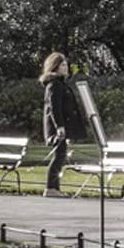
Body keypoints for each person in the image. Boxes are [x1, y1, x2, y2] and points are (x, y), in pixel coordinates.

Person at [39, 52, 85, 196]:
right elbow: (54, 108)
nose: (66, 68)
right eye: (63, 65)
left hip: (62, 126)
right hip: (58, 128)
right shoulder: (54, 85)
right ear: (56, 67)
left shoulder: (61, 84)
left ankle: (55, 188)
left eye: (66, 65)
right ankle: (51, 187)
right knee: (59, 155)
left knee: (61, 154)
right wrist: (59, 126)